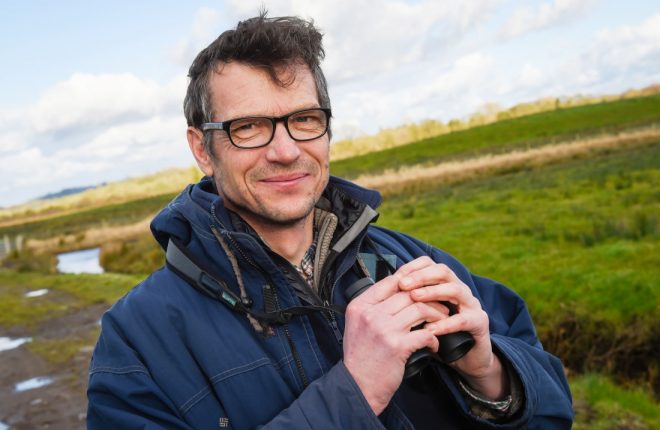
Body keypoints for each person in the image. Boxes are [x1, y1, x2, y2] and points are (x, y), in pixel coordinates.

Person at [87, 12, 573, 429]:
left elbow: (553, 410)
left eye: (304, 119)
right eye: (248, 127)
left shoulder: (411, 261)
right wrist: (354, 392)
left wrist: (490, 376)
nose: (285, 151)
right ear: (202, 149)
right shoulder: (138, 341)